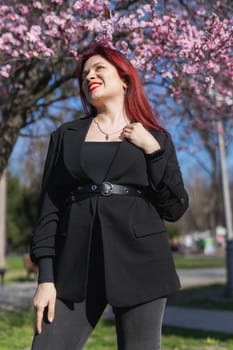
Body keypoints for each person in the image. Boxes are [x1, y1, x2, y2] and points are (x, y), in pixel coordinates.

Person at [30, 43, 189, 350]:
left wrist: (152, 152)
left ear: (125, 78)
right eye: (84, 73)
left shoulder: (156, 137)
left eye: (99, 68)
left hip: (141, 263)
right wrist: (45, 279)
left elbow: (174, 208)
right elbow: (48, 209)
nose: (89, 75)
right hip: (73, 267)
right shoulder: (65, 136)